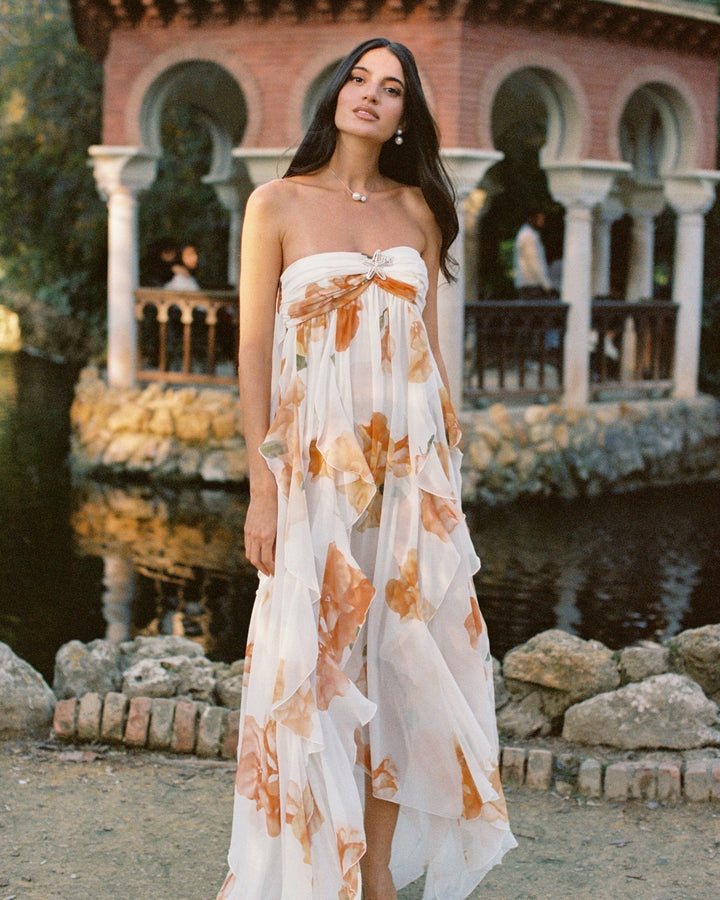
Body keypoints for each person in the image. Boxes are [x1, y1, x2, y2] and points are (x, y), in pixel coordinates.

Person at [217, 37, 516, 900]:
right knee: (313, 665)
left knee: (401, 668)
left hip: (407, 479)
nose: (370, 96)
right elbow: (252, 350)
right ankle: (314, 868)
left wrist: (446, 483)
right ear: (336, 95)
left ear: (402, 117)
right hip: (311, 477)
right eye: (359, 79)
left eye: (391, 89)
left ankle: (376, 876)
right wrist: (262, 487)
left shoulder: (420, 212)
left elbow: (431, 354)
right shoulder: (275, 203)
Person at [513, 209, 554, 299]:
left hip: (529, 283)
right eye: (540, 219)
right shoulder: (529, 236)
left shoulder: (526, 233)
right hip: (532, 284)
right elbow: (534, 261)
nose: (542, 222)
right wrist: (546, 284)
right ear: (531, 219)